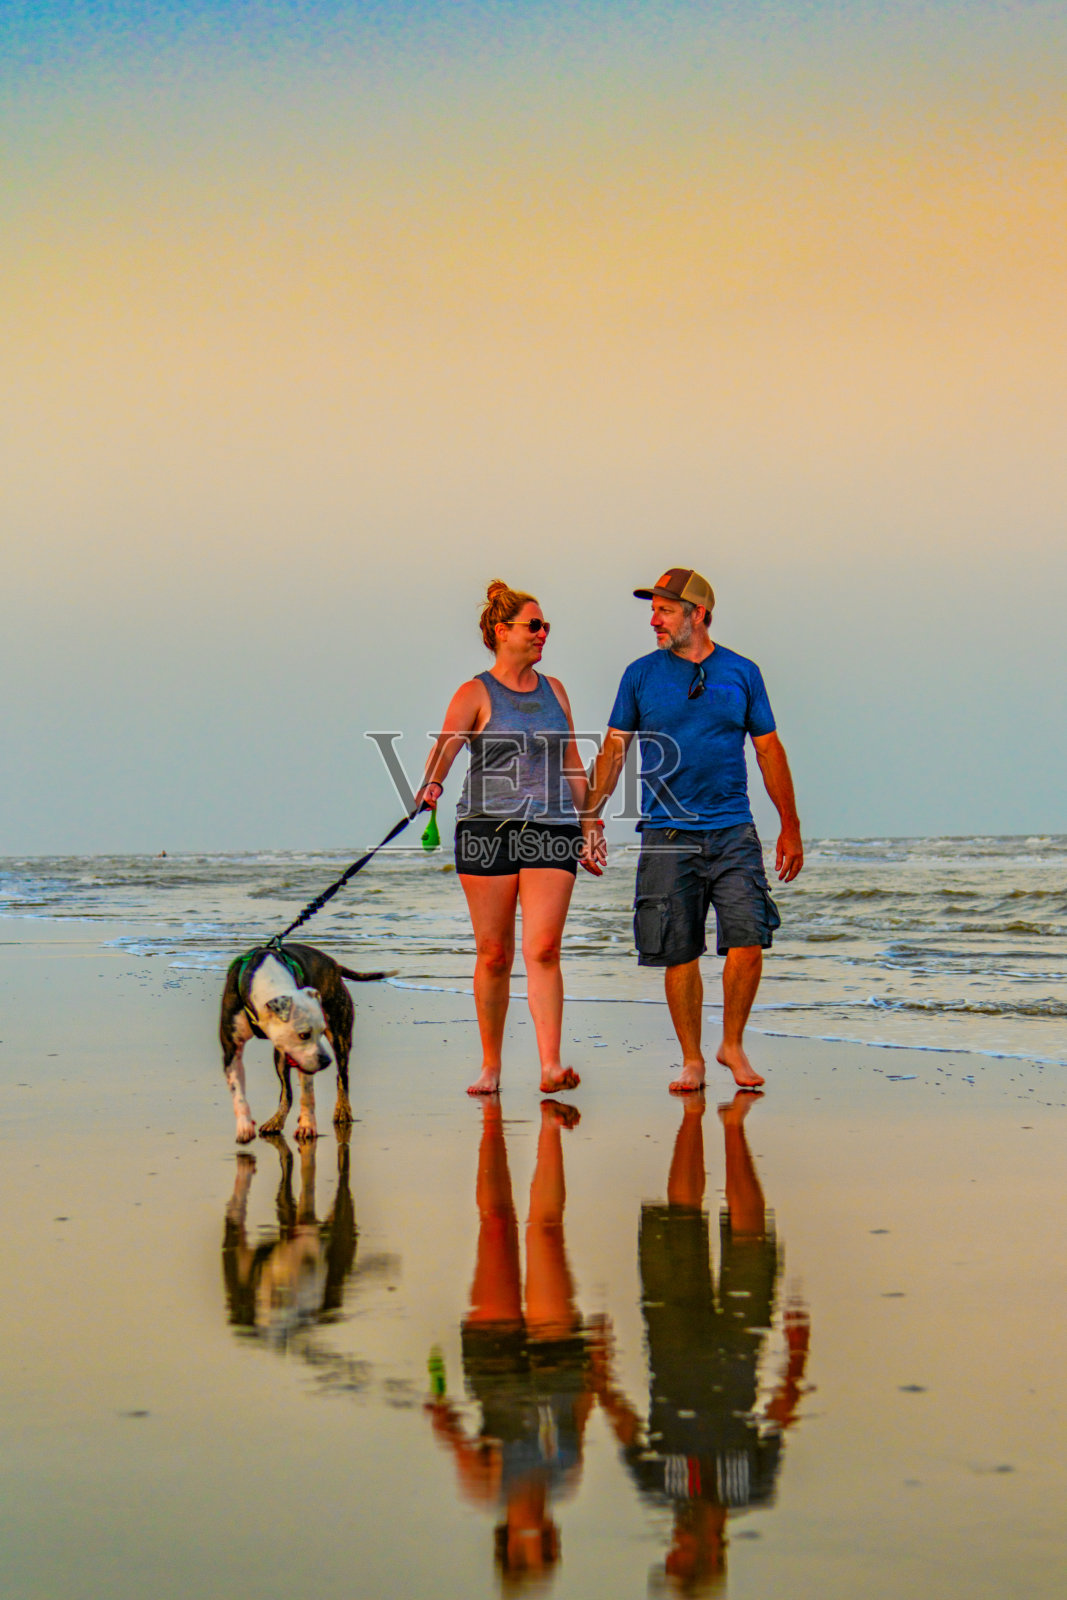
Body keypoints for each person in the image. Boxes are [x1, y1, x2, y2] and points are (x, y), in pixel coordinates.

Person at [582, 567, 803, 1091]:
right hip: (665, 833)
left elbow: (768, 749)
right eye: (653, 610)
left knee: (749, 938)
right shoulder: (640, 675)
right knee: (677, 950)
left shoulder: (742, 673)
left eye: (664, 610)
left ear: (697, 614)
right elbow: (615, 747)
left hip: (732, 828)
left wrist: (790, 826)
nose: (654, 620)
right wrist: (590, 816)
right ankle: (692, 1058)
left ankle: (731, 1044)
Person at [592, 1092, 811, 1593]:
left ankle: (698, 1119)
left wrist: (600, 1369)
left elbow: (625, 1426)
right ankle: (734, 1131)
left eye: (670, 1556)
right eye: (678, 1558)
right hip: (739, 1346)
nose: (672, 1545)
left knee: (680, 1220)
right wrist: (796, 1354)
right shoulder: (751, 1488)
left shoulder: (657, 1487)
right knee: (751, 1241)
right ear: (709, 1557)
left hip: (670, 1341)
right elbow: (779, 1414)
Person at [417, 580, 593, 1095]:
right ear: (502, 632)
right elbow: (446, 749)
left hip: (551, 826)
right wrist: (431, 784)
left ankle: (550, 1066)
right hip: (485, 829)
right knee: (494, 953)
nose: (543, 634)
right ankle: (491, 1066)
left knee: (543, 948)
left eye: (545, 627)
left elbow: (571, 761)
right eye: (534, 626)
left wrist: (592, 822)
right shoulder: (475, 692)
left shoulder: (555, 690)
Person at [425, 1097, 600, 1586]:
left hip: (495, 1365)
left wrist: (438, 1402)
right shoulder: (566, 1482)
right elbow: (578, 1417)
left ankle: (491, 1123)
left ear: (507, 1542)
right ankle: (549, 1127)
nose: (540, 1535)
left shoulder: (488, 1489)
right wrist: (598, 1368)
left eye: (530, 1548)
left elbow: (449, 1428)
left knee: (496, 1227)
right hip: (560, 1365)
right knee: (545, 1234)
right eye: (547, 1547)